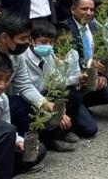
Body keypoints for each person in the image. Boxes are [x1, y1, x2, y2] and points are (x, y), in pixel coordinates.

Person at [21, 20, 80, 151]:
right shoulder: (22, 58)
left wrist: (77, 79)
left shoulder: (47, 55)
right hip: (26, 99)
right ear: (31, 40)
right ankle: (48, 140)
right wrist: (49, 106)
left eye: (50, 42)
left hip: (43, 93)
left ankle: (59, 135)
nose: (48, 46)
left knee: (69, 93)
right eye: (43, 42)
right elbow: (25, 89)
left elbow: (55, 79)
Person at [60, 0, 108, 113]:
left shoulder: (93, 25)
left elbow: (102, 51)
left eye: (92, 10)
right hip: (73, 76)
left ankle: (82, 105)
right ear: (73, 10)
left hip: (92, 74)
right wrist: (90, 65)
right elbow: (68, 58)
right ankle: (73, 107)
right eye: (84, 9)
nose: (89, 13)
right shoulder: (64, 29)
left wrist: (103, 75)